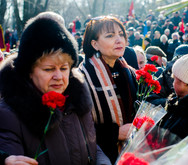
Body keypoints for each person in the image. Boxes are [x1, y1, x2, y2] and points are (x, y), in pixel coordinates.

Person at [0, 13, 110, 165]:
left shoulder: (77, 102)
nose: (58, 76)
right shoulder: (9, 115)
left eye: (64, 68)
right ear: (29, 71)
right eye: (49, 69)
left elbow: (92, 147)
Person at [79, 16, 138, 164]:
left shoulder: (129, 72)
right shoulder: (82, 77)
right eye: (110, 36)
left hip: (132, 150)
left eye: (121, 34)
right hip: (99, 153)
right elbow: (77, 125)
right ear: (95, 44)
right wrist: (114, 134)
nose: (119, 40)